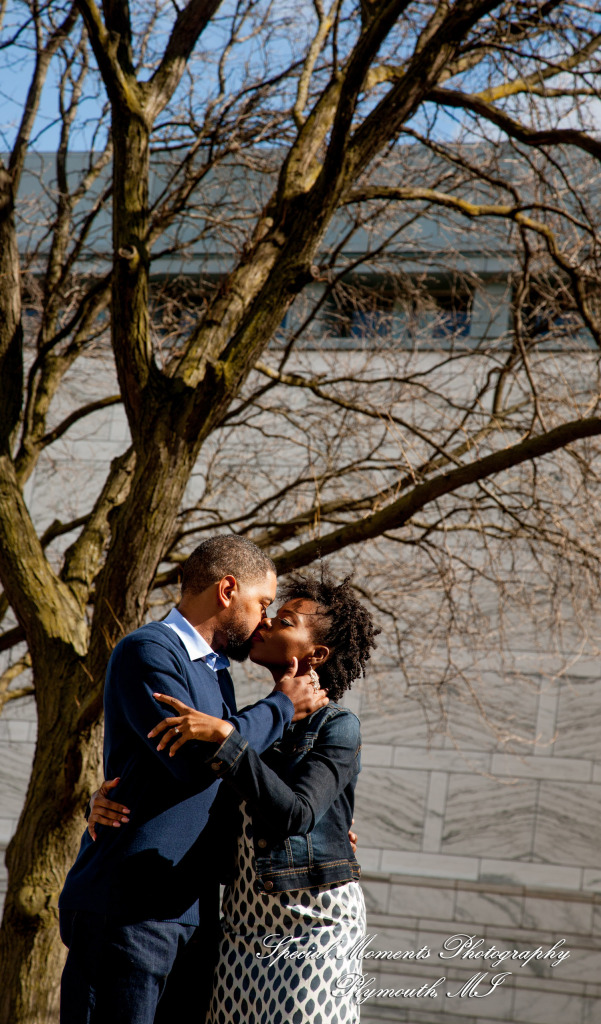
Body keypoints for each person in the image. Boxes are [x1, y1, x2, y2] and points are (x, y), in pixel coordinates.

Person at [58, 535, 328, 1024]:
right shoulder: (148, 650)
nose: (264, 619)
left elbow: (223, 772)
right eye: (262, 602)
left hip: (188, 910)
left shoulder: (215, 671)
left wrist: (326, 824)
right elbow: (196, 760)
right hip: (129, 908)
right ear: (228, 590)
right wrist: (282, 706)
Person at [95, 570, 379, 1024]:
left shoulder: (338, 728)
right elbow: (199, 791)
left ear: (316, 654)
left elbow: (297, 813)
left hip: (311, 926)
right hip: (241, 925)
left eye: (283, 620)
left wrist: (229, 738)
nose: (264, 623)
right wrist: (108, 797)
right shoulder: (260, 723)